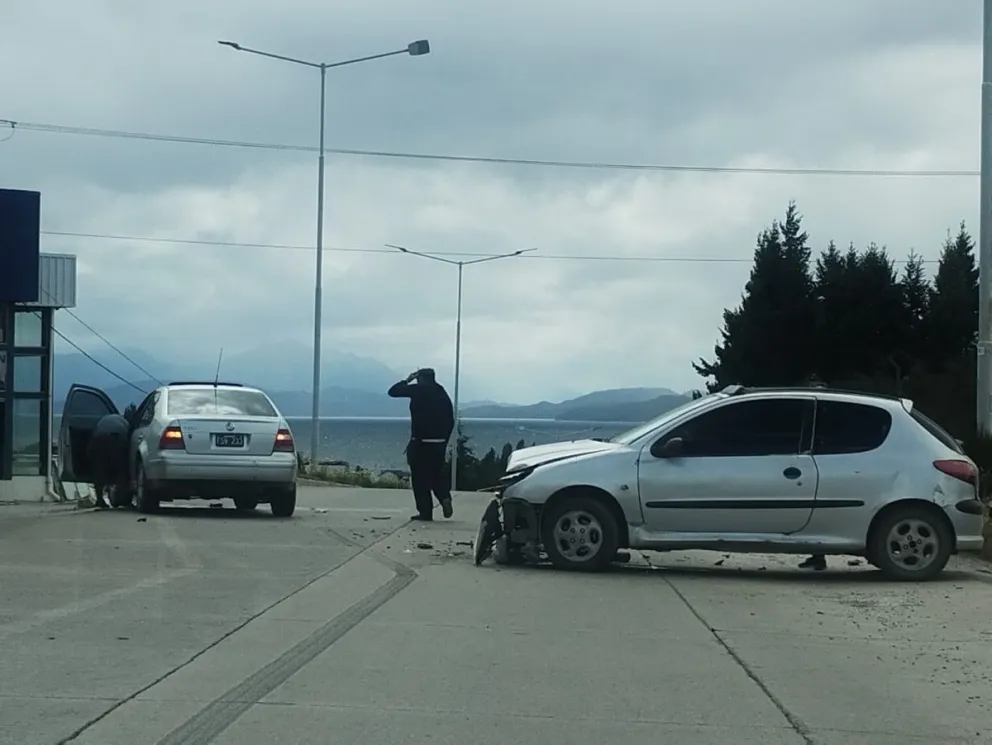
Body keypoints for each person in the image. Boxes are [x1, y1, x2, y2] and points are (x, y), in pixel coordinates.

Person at [387, 368, 454, 521]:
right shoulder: (441, 392)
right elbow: (450, 419)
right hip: (439, 443)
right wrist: (444, 440)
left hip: (420, 442)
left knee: (420, 479)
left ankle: (425, 512)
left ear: (420, 378)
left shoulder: (418, 390)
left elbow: (393, 391)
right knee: (436, 474)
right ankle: (444, 497)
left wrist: (407, 380)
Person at [87, 412, 131, 509]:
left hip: (99, 439)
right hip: (118, 438)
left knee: (99, 470)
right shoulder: (124, 423)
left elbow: (92, 442)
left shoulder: (102, 421)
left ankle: (100, 500)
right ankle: (123, 499)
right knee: (121, 469)